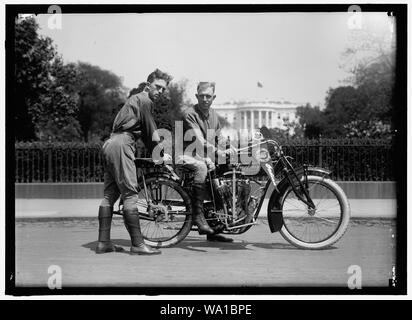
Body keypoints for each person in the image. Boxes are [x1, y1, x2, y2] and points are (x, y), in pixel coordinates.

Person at [96, 68, 173, 255]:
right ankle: (138, 245)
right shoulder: (144, 100)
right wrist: (161, 154)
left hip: (110, 144)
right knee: (131, 195)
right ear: (148, 85)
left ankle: (103, 243)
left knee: (109, 196)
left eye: (163, 89)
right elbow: (150, 132)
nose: (160, 92)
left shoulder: (133, 100)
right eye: (157, 87)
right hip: (122, 144)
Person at [179, 82, 235, 242]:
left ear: (213, 97)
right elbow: (200, 140)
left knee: (220, 183)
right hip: (185, 155)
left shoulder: (214, 115)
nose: (205, 99)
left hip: (205, 156)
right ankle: (197, 215)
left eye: (208, 96)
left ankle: (215, 227)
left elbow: (219, 137)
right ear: (196, 96)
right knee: (202, 167)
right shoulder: (189, 114)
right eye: (201, 95)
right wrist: (218, 152)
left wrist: (230, 148)